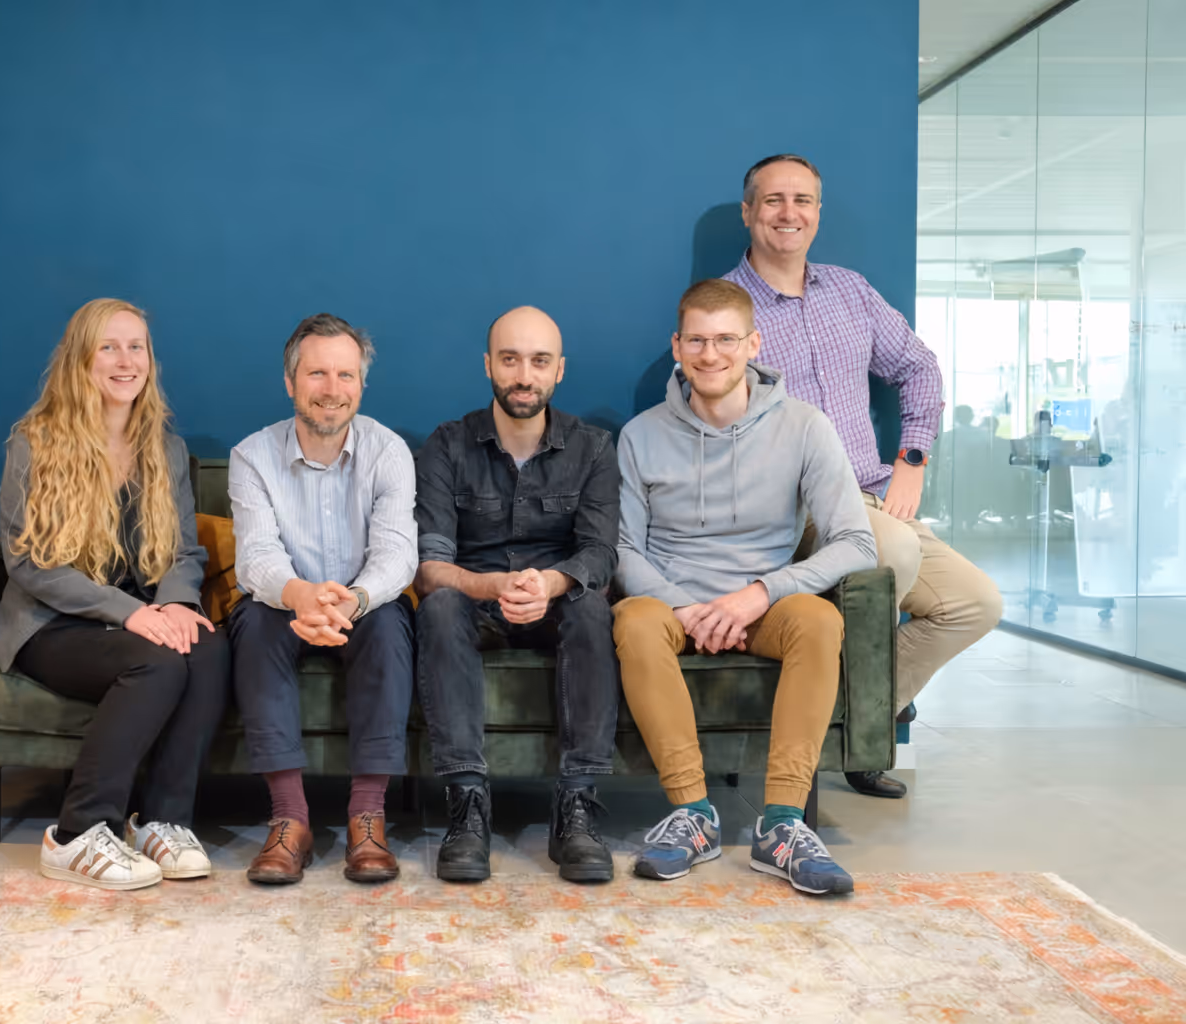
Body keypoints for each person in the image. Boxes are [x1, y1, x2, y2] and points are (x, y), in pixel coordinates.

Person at [724, 154, 1003, 798]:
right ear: (748, 213)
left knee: (975, 605)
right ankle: (839, 737)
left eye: (803, 201)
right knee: (895, 550)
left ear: (818, 213)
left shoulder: (849, 290)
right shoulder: (728, 309)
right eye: (772, 201)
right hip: (797, 512)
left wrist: (911, 461)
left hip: (877, 495)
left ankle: (852, 727)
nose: (788, 213)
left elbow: (919, 368)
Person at [614, 279, 876, 896]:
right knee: (631, 619)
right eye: (697, 341)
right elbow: (622, 548)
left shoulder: (807, 427)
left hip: (764, 608)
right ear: (676, 346)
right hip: (674, 605)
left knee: (820, 620)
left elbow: (855, 541)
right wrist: (688, 607)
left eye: (726, 339)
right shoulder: (640, 435)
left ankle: (782, 824)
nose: (711, 355)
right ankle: (693, 815)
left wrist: (759, 593)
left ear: (753, 343)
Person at [0, 298, 229, 890]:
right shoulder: (34, 443)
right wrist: (133, 615)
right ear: (81, 359)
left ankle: (161, 822)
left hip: (137, 614)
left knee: (205, 646)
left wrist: (174, 606)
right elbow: (29, 563)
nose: (126, 361)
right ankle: (75, 835)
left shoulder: (165, 448)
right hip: (52, 623)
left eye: (137, 347)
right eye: (109, 347)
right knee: (155, 664)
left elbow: (183, 552)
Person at [414, 306, 621, 884]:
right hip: (475, 602)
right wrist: (492, 585)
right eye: (510, 360)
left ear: (559, 371)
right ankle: (467, 806)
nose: (523, 375)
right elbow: (430, 567)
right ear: (488, 366)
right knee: (439, 604)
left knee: (590, 603)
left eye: (538, 361)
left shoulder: (593, 449)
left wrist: (550, 582)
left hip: (557, 602)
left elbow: (602, 553)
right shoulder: (447, 446)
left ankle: (577, 806)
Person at [228, 313, 418, 886]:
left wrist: (352, 601)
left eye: (345, 375)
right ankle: (291, 821)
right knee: (254, 625)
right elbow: (256, 557)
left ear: (361, 383)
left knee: (389, 626)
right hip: (283, 604)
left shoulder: (390, 452)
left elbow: (396, 555)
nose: (332, 390)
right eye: (317, 374)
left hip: (363, 605)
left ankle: (367, 818)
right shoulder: (251, 457)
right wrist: (302, 597)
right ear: (290, 383)